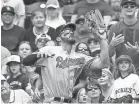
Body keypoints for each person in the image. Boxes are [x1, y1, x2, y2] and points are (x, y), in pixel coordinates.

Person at [23, 23, 109, 103]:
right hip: (52, 101)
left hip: (69, 101)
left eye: (72, 31)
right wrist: (37, 56)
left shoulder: (80, 57)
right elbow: (25, 61)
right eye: (66, 31)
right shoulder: (49, 49)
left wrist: (103, 39)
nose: (70, 32)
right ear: (58, 38)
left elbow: (103, 64)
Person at [108, 0, 139, 75]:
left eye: (132, 6)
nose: (129, 8)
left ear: (136, 8)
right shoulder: (115, 28)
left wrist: (138, 51)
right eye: (126, 6)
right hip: (121, 71)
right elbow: (110, 54)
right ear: (121, 8)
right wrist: (112, 45)